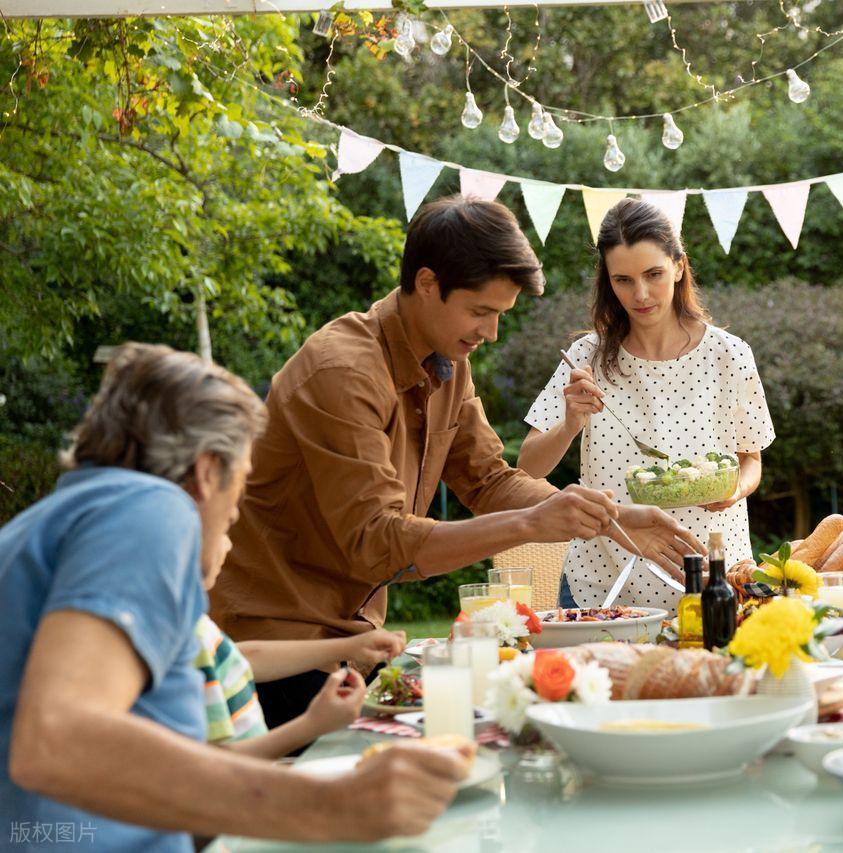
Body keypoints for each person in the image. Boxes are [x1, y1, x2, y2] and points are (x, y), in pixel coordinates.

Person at [210, 195, 701, 727]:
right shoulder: (344, 372)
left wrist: (611, 517)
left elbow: (489, 479)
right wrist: (531, 523)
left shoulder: (447, 361)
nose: (490, 333)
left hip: (353, 641)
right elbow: (376, 543)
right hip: (271, 649)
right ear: (426, 284)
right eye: (480, 311)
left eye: (499, 315)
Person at [2, 344, 469, 849]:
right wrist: (329, 807)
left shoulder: (66, 518)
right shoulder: (144, 508)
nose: (236, 510)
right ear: (207, 471)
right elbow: (57, 743)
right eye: (242, 479)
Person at [518, 198, 775, 610]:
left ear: (678, 265)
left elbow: (751, 460)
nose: (640, 294)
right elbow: (527, 469)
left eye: (653, 274)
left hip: (713, 578)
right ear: (608, 281)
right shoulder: (586, 356)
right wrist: (569, 424)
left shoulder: (729, 354)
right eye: (623, 280)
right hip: (602, 582)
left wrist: (733, 490)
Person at [196, 533, 407, 758]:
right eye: (223, 528)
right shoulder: (185, 646)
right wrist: (312, 724)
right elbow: (218, 762)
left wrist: (350, 647)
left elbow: (244, 657)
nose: (229, 544)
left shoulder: (197, 627)